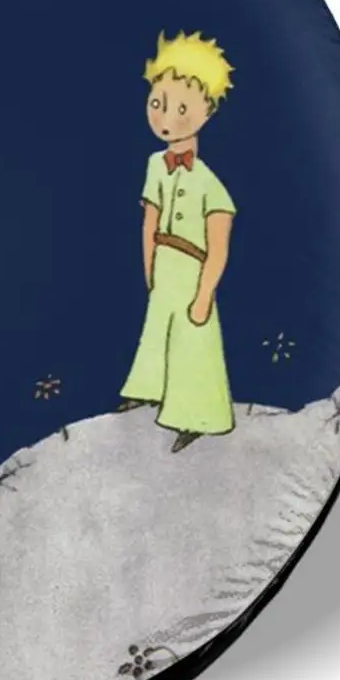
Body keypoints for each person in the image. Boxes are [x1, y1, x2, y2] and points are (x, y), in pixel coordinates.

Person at [119, 31, 236, 450]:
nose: (166, 116)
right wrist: (149, 266)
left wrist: (204, 294)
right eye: (158, 103)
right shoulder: (155, 164)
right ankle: (148, 389)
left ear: (207, 110)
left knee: (193, 338)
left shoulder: (210, 184)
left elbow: (218, 246)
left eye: (181, 107)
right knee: (157, 329)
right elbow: (149, 220)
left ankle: (199, 415)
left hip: (192, 268)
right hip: (165, 265)